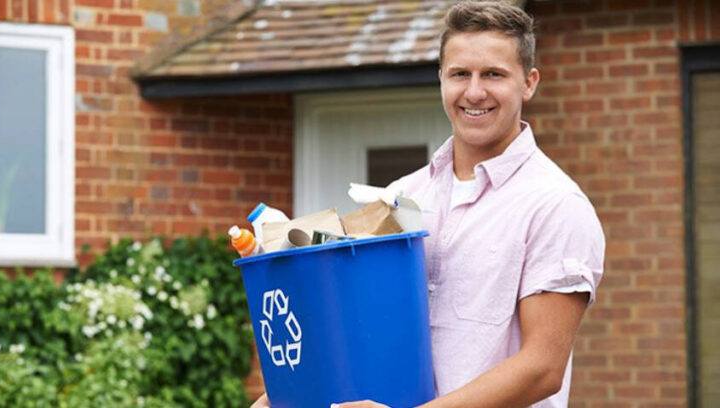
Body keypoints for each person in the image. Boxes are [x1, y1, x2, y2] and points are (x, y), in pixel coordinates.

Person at [252, 1, 604, 407]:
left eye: (493, 74)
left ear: (529, 82)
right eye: (460, 74)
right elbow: (357, 326)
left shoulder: (555, 205)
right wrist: (288, 394)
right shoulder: (402, 196)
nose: (474, 91)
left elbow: (542, 368)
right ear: (441, 79)